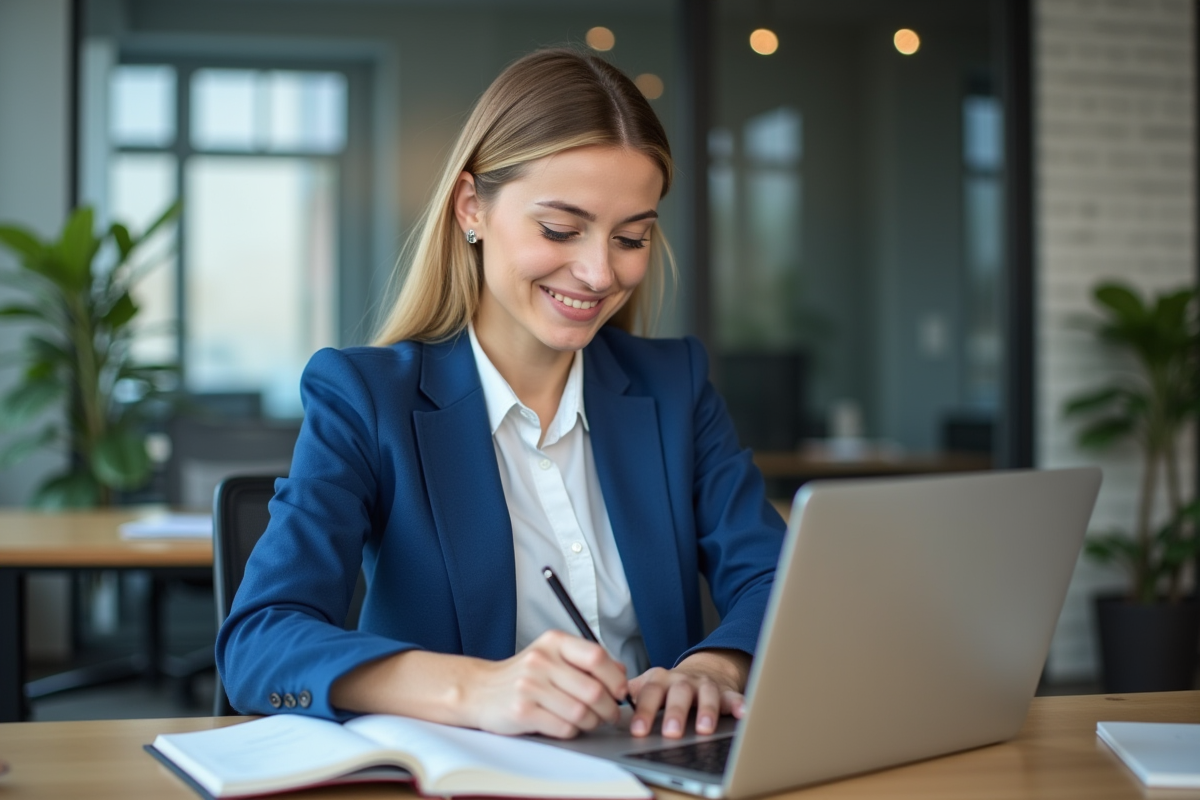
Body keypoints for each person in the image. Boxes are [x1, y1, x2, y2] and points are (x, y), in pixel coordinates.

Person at [215, 48, 785, 741]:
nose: (600, 272)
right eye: (560, 229)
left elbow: (777, 582)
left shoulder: (675, 387)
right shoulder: (366, 398)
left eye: (631, 237)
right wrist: (476, 687)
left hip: (658, 775)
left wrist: (718, 668)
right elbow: (260, 643)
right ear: (471, 208)